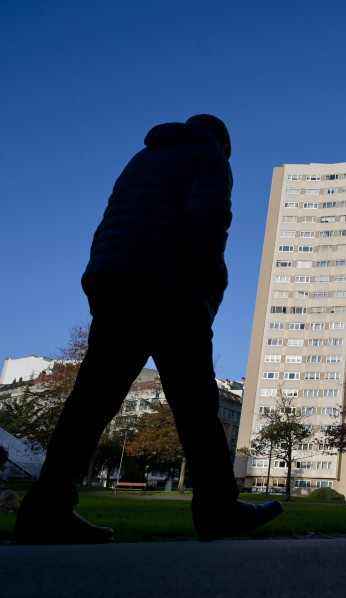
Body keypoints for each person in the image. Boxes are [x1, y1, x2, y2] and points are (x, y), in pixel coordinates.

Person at [13, 115, 283, 544]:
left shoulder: (143, 157)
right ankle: (217, 509)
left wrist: (106, 274)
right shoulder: (209, 157)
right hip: (169, 289)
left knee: (91, 401)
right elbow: (209, 217)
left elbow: (111, 220)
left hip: (115, 280)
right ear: (223, 143)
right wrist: (210, 280)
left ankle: (44, 510)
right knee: (196, 406)